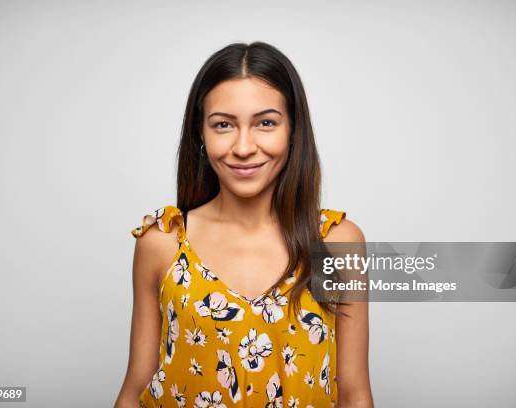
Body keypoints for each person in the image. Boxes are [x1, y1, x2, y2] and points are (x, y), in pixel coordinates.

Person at [115, 41, 373, 408]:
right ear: (200, 134)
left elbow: (355, 394)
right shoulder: (163, 242)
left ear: (293, 131)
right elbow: (135, 389)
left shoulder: (338, 244)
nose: (243, 146)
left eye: (266, 123)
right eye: (223, 125)